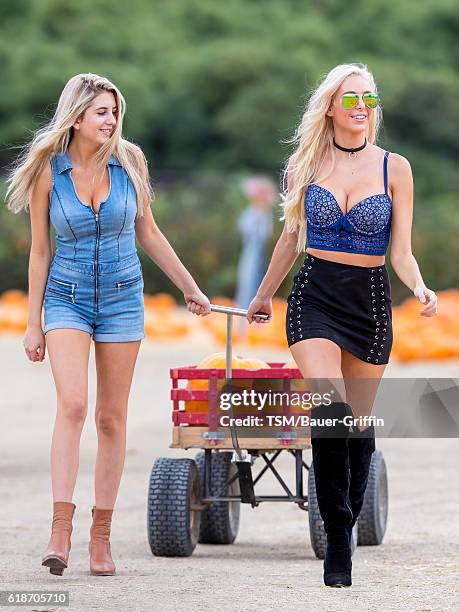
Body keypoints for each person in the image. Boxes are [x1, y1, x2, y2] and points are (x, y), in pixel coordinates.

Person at [5, 73, 211, 577]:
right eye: (102, 112)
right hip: (66, 299)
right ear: (76, 117)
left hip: (123, 301)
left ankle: (101, 536)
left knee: (111, 419)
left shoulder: (129, 164)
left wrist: (189, 286)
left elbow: (149, 232)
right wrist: (32, 325)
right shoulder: (48, 173)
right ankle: (60, 531)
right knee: (72, 404)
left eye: (115, 111)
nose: (112, 120)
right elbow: (39, 252)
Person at [247, 63, 437, 587]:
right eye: (350, 98)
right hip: (315, 297)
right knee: (330, 411)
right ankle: (336, 541)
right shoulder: (303, 165)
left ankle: (349, 513)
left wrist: (419, 287)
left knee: (356, 426)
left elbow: (401, 251)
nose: (360, 107)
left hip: (371, 302)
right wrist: (264, 296)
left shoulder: (395, 168)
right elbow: (290, 240)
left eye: (369, 99)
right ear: (329, 106)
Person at [234, 176, 276, 337]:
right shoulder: (252, 212)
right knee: (246, 284)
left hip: (256, 253)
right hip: (250, 252)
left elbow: (264, 235)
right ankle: (242, 325)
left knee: (252, 284)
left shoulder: (263, 214)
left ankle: (249, 325)